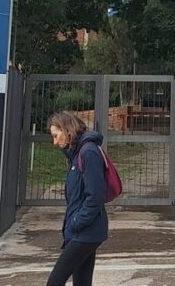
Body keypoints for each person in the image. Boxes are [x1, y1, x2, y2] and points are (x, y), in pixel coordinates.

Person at [46, 111, 109, 286]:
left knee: (55, 282)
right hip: (84, 231)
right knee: (82, 282)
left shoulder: (88, 152)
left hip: (86, 231)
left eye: (56, 136)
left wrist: (75, 222)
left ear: (67, 130)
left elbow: (95, 196)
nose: (55, 141)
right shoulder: (77, 153)